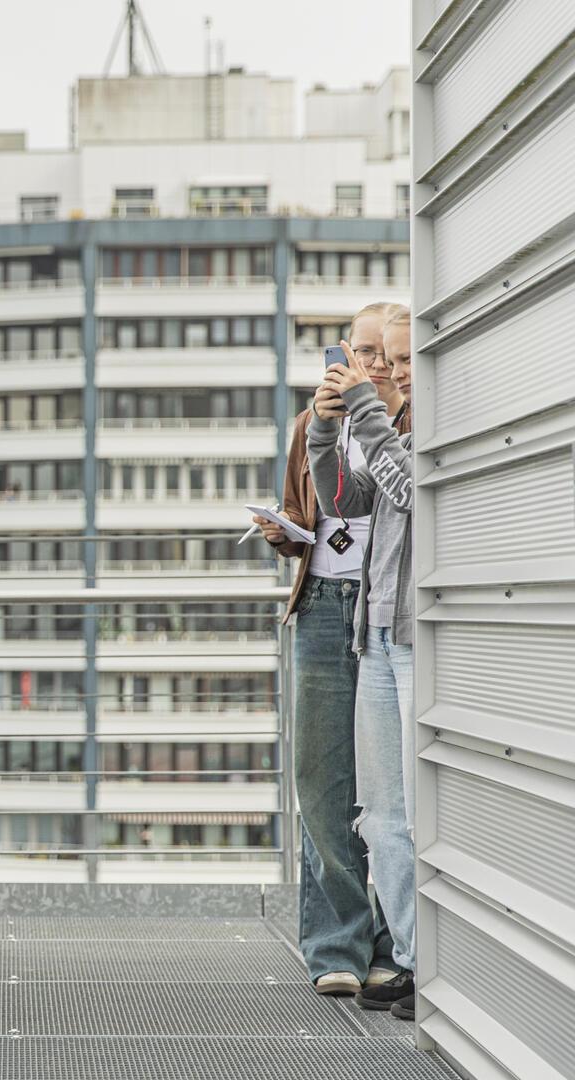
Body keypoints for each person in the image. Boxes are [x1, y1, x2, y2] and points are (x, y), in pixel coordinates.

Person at [255, 303, 408, 998]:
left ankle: (389, 940)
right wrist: (285, 532)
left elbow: (388, 504)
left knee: (386, 795)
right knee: (324, 784)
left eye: (387, 354)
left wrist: (368, 410)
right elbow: (322, 503)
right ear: (345, 350)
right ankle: (336, 946)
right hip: (322, 603)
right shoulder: (313, 423)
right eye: (364, 351)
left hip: (381, 612)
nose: (375, 365)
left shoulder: (402, 420)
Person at [306, 309, 418, 1020]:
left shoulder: (426, 424)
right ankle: (409, 958)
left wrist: (371, 410)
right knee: (382, 818)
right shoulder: (391, 424)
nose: (390, 370)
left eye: (403, 359)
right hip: (373, 635)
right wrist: (324, 428)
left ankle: (429, 957)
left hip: (414, 638)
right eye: (379, 358)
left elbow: (414, 492)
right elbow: (345, 502)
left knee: (419, 810)